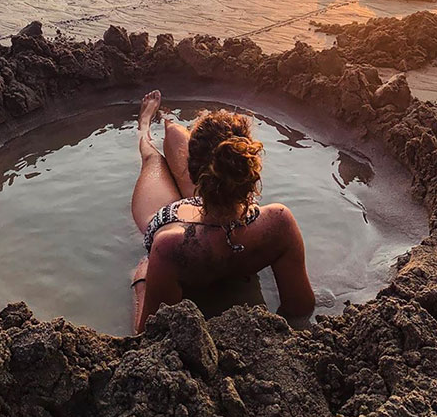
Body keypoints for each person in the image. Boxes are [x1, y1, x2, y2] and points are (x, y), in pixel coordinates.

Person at [130, 90, 315, 333]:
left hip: (172, 217)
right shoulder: (279, 223)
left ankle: (146, 124)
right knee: (176, 136)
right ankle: (167, 119)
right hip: (227, 203)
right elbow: (301, 308)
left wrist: (141, 280)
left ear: (192, 174)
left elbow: (148, 335)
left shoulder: (168, 247)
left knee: (152, 158)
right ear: (250, 168)